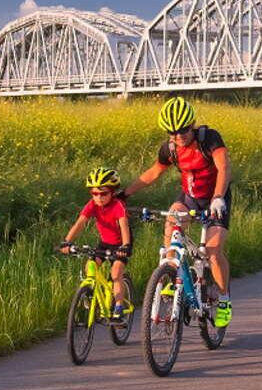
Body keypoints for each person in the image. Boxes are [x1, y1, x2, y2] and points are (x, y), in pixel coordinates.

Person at [118, 97, 234, 328]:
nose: (178, 136)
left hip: (216, 199)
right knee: (172, 218)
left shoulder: (208, 139)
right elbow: (152, 174)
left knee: (212, 251)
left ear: (192, 125)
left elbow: (224, 167)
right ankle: (169, 272)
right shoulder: (170, 148)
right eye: (172, 132)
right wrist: (123, 196)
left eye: (183, 130)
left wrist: (219, 197)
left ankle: (223, 300)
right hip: (190, 198)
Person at [61, 167, 135, 320]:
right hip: (104, 243)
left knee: (116, 274)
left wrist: (125, 245)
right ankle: (93, 295)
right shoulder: (92, 205)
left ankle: (119, 308)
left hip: (121, 244)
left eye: (103, 194)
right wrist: (67, 242)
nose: (99, 197)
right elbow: (80, 223)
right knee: (90, 267)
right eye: (95, 193)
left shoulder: (117, 205)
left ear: (112, 192)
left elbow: (124, 226)